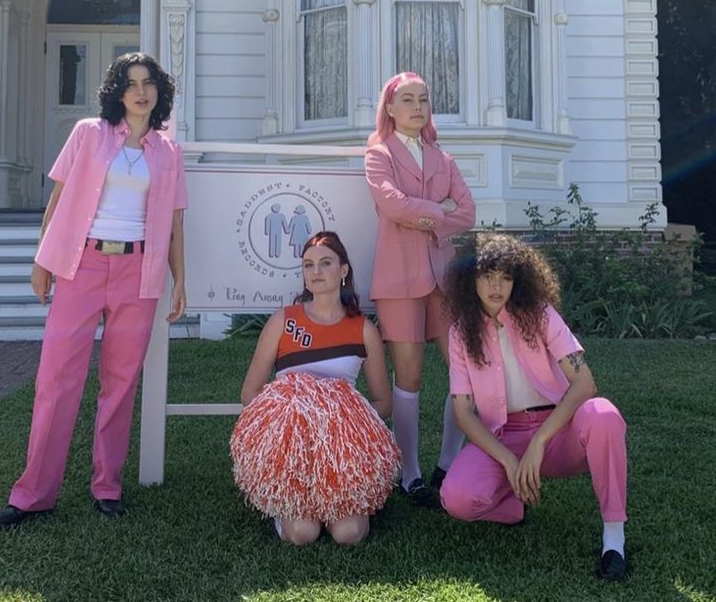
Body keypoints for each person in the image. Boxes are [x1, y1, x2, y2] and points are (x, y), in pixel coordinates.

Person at [0, 53, 187, 531]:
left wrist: (181, 280)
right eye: (131, 84)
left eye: (149, 84)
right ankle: (33, 493)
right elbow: (57, 198)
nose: (141, 92)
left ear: (160, 93)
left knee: (119, 384)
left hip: (139, 272)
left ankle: (106, 486)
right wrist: (42, 261)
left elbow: (175, 222)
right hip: (82, 264)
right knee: (56, 378)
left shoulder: (168, 152)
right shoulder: (88, 134)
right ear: (117, 92)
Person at [440, 233, 628, 583]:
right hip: (504, 435)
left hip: (559, 432)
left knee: (602, 414)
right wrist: (510, 459)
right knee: (457, 499)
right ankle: (514, 507)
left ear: (518, 280)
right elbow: (464, 413)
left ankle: (614, 537)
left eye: (506, 277)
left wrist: (540, 441)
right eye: (487, 276)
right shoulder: (459, 334)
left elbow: (584, 383)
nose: (497, 286)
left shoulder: (540, 314)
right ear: (471, 280)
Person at [232, 231, 398, 546]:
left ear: (344, 270)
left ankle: (338, 500)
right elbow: (249, 394)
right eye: (308, 265)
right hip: (292, 451)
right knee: (301, 535)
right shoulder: (284, 321)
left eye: (325, 263)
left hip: (339, 453)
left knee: (349, 534)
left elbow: (383, 402)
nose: (316, 272)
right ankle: (286, 503)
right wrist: (288, 419)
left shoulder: (363, 329)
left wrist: (342, 422)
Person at [365, 71, 476, 505]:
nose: (417, 107)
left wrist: (425, 212)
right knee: (408, 376)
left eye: (424, 99)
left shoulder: (443, 159)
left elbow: (467, 213)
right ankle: (408, 472)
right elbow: (390, 203)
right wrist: (438, 209)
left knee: (463, 372)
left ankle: (448, 464)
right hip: (399, 279)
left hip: (444, 279)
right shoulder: (379, 154)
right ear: (390, 109)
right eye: (407, 99)